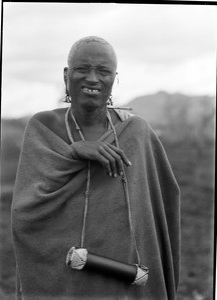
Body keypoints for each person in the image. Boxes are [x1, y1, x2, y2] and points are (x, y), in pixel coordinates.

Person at [11, 36, 180, 300]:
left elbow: (162, 205)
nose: (92, 78)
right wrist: (73, 150)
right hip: (64, 273)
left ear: (114, 78)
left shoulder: (137, 133)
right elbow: (25, 214)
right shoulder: (43, 127)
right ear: (67, 74)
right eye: (82, 69)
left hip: (125, 275)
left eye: (103, 71)